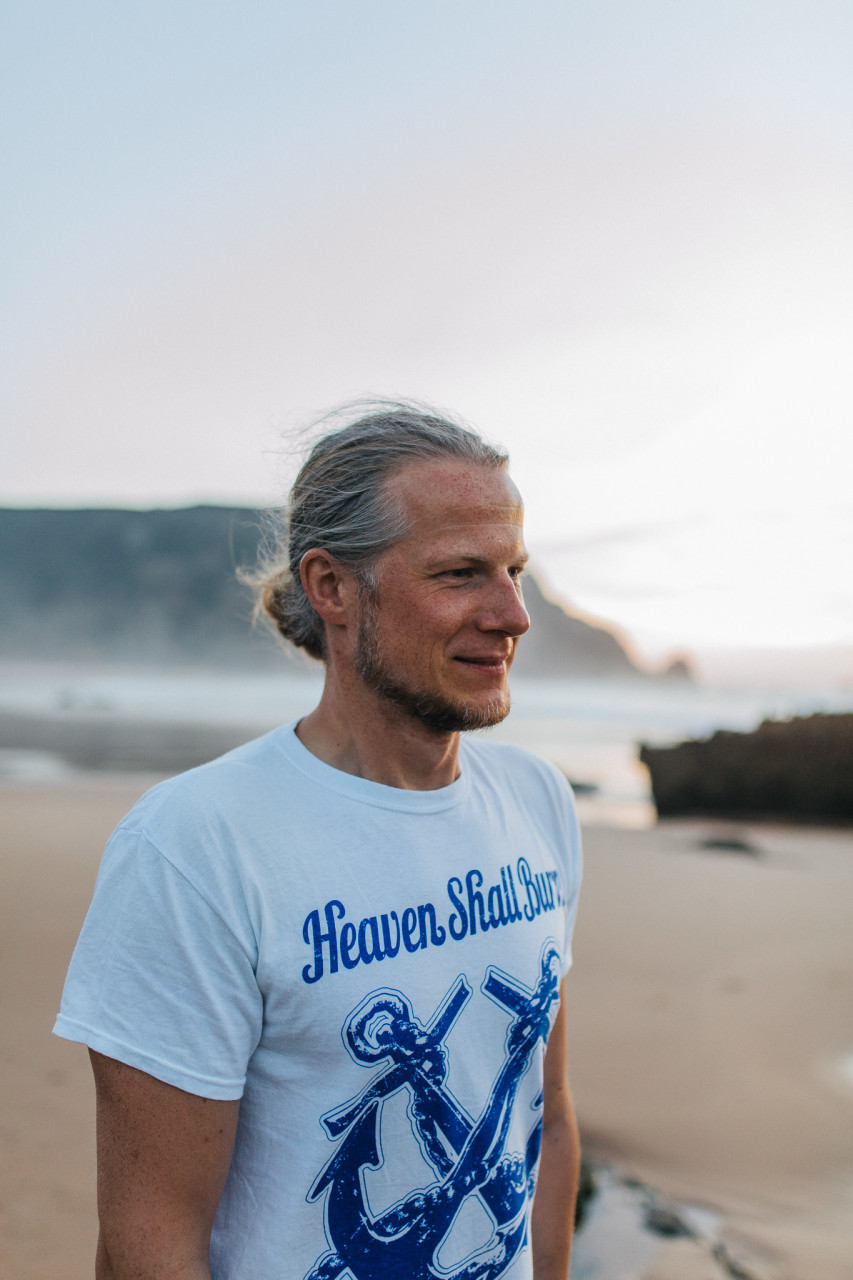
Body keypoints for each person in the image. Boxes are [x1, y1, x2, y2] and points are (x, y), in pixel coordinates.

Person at [54, 402, 583, 1280]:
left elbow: (547, 1115)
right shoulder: (197, 847)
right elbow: (150, 1241)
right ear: (332, 588)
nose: (513, 615)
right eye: (460, 574)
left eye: (514, 571)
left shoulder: (537, 802)